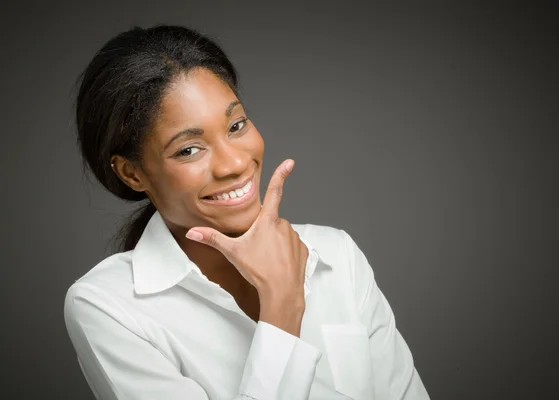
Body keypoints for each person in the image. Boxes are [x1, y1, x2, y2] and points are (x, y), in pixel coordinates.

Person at [64, 24, 430, 400]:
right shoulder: (108, 305)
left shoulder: (337, 255)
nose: (234, 164)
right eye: (189, 149)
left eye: (236, 125)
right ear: (132, 172)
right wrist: (282, 304)